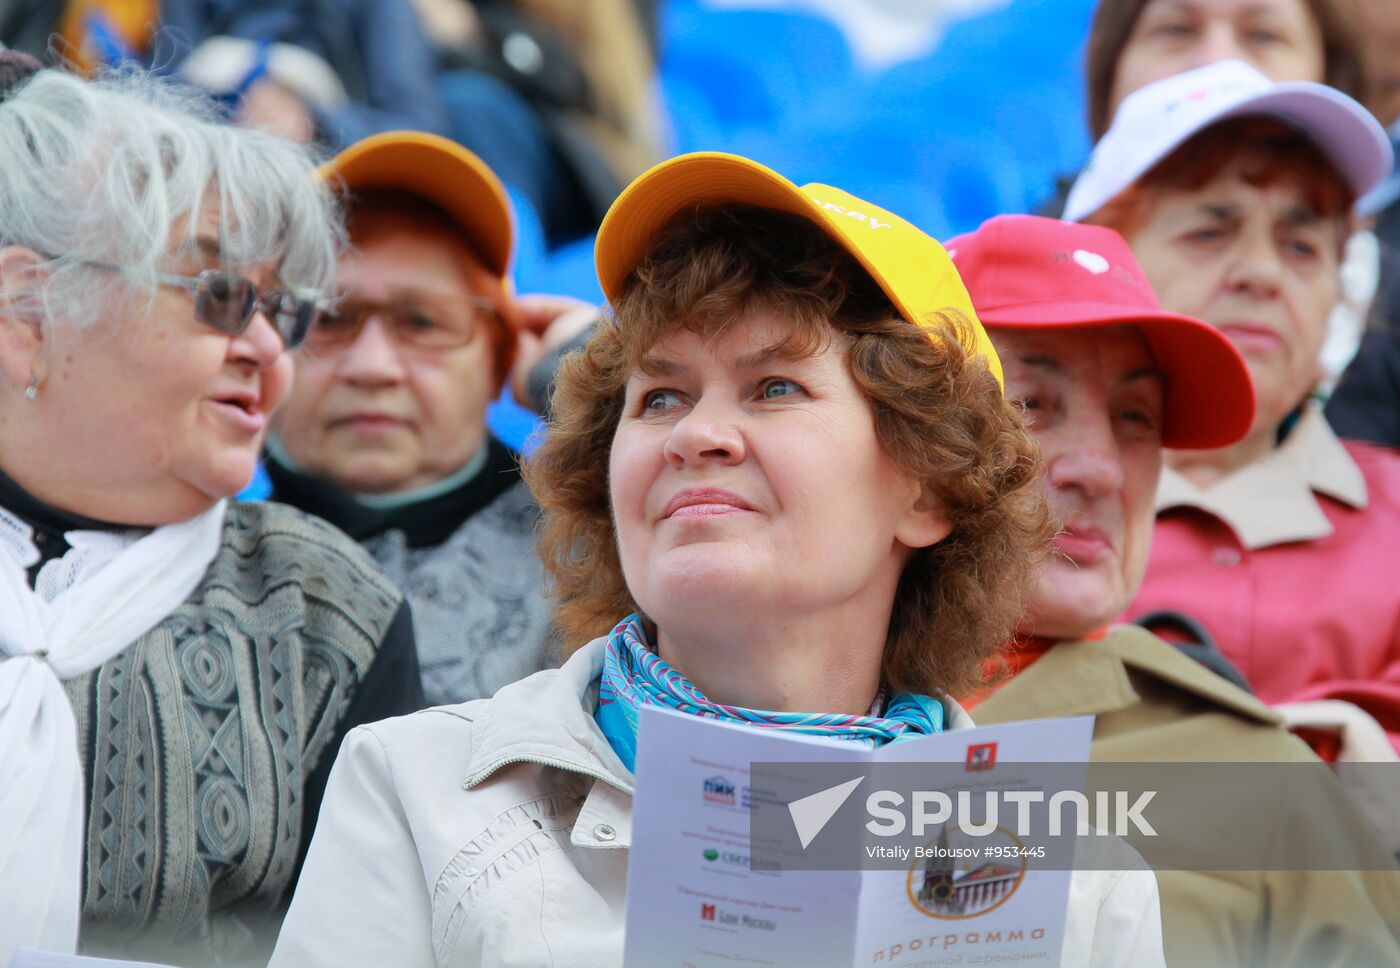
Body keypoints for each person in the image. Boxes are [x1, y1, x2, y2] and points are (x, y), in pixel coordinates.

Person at [270, 153, 1166, 967]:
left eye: (775, 387)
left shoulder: (1083, 880)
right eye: (660, 395)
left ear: (929, 489)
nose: (696, 435)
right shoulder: (413, 786)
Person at [0, 59, 422, 967]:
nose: (267, 349)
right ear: (26, 310)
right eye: (220, 296)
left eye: (284, 311)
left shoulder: (325, 614)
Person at [948, 212, 1400, 967]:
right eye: (1030, 405)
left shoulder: (1257, 776)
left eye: (1136, 417)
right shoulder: (757, 690)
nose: (1099, 467)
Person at [1063, 60, 1400, 756]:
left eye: (1302, 246)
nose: (1263, 273)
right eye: (1210, 233)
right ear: (1098, 259)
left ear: (1343, 295)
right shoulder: (989, 504)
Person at [268, 130, 562, 706]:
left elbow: (785, 784)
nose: (373, 367)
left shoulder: (601, 554)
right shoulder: (176, 550)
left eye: (422, 322)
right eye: (329, 318)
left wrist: (596, 389)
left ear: (499, 358)